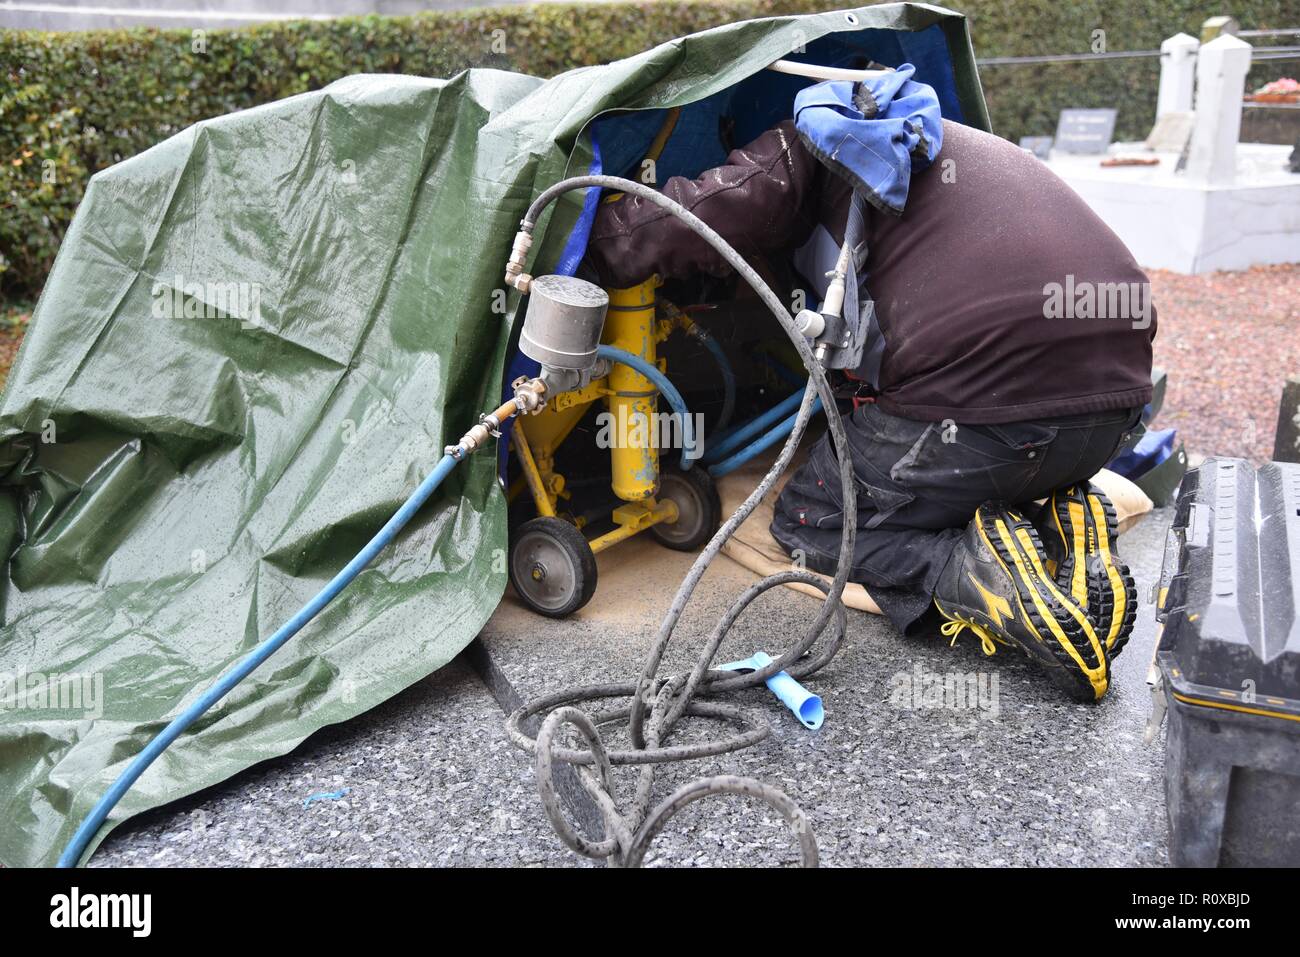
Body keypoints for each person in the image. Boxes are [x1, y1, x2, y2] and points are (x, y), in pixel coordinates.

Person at [581, 87, 1154, 703]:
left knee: (817, 522)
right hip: (1114, 409)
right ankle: (1065, 519)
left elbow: (694, 217)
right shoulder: (951, 144)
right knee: (980, 449)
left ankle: (974, 572)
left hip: (983, 413)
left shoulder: (810, 144)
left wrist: (585, 251)